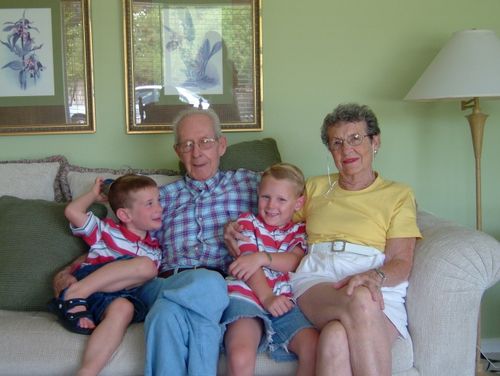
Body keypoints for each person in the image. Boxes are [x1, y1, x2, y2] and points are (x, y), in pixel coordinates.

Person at [52, 108, 261, 376]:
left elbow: (292, 205)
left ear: (221, 145)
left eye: (205, 142)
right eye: (187, 145)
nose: (196, 152)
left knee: (168, 311)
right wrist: (67, 273)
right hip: (162, 282)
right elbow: (115, 245)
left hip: (217, 281)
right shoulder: (159, 199)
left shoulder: (250, 184)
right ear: (177, 152)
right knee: (202, 288)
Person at [226, 103, 422, 376]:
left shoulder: (398, 194)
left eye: (355, 139)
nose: (346, 150)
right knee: (360, 299)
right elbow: (274, 218)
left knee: (334, 338)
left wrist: (375, 276)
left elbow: (402, 261)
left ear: (375, 141)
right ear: (330, 150)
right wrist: (236, 229)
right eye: (337, 143)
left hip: (376, 283)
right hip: (319, 278)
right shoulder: (315, 188)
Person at [49, 174, 163, 376]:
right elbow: (72, 211)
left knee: (124, 308)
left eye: (158, 201)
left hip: (114, 296)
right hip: (89, 280)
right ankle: (75, 292)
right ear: (125, 215)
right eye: (150, 204)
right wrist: (92, 195)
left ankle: (88, 371)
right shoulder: (106, 230)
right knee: (147, 267)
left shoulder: (155, 250)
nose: (159, 208)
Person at [222, 163, 318, 376]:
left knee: (313, 347)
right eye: (266, 197)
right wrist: (267, 297)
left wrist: (262, 257)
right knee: (239, 354)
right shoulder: (247, 223)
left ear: (298, 203)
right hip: (248, 297)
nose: (271, 205)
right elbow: (247, 264)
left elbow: (295, 261)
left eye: (282, 199)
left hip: (284, 302)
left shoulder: (299, 231)